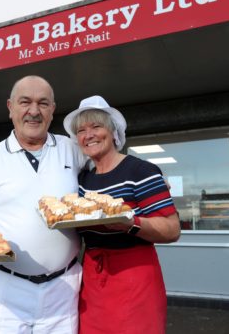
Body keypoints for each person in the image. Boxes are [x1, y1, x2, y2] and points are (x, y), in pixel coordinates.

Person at [0, 75, 87, 334]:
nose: (34, 111)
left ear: (53, 110)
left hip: (64, 289)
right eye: (25, 102)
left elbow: (109, 168)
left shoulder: (73, 149)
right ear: (10, 108)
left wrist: (142, 176)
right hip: (6, 293)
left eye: (43, 103)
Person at [63, 95, 181, 334]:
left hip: (134, 276)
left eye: (96, 126)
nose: (89, 134)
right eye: (82, 130)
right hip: (93, 281)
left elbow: (172, 229)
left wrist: (130, 224)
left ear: (113, 131)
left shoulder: (141, 171)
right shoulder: (83, 180)